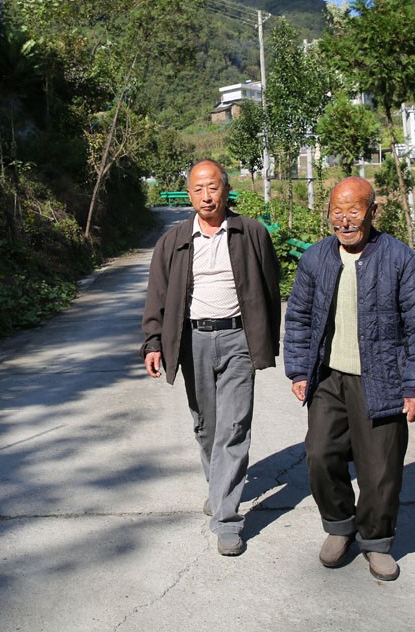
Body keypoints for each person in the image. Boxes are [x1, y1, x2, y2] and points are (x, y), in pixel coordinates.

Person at [283, 176, 415, 581]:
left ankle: (376, 540)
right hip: (328, 378)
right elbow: (298, 316)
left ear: (373, 211)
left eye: (354, 211)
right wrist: (299, 369)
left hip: (383, 378)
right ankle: (339, 525)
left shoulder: (399, 258)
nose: (345, 220)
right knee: (320, 455)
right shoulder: (316, 258)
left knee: (380, 470)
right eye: (337, 211)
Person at [141, 160, 281, 556]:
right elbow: (156, 295)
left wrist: (266, 340)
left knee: (234, 426)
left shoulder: (251, 233)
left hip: (238, 338)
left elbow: (270, 288)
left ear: (226, 190)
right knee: (206, 426)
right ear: (189, 194)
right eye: (199, 189)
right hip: (193, 341)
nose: (207, 196)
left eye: (213, 187)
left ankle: (226, 518)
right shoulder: (173, 241)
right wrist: (153, 343)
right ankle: (220, 488)